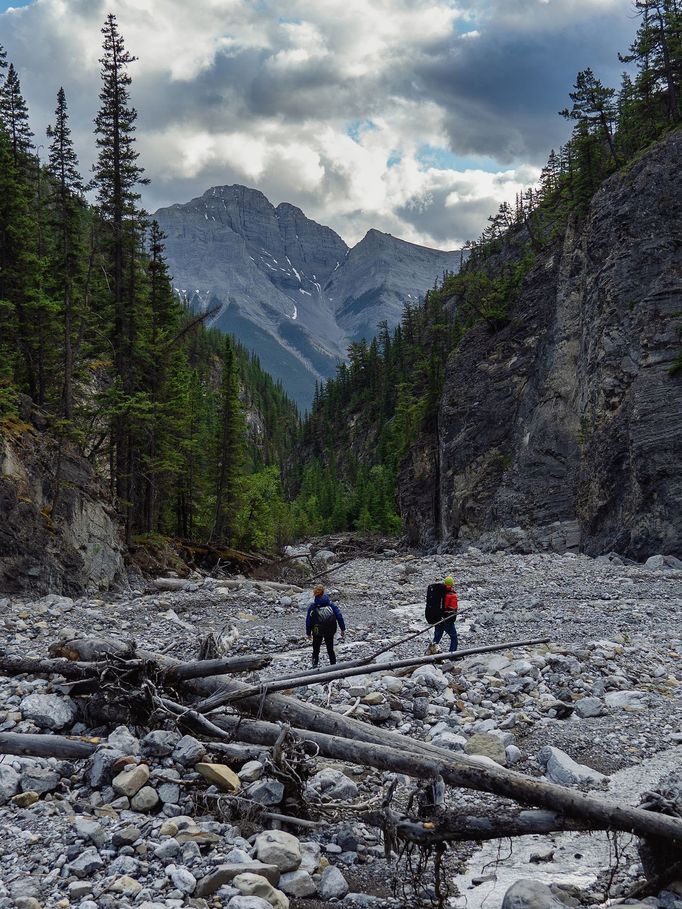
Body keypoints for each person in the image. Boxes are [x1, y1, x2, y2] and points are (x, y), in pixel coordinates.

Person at [306, 584, 346, 668]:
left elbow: (308, 620)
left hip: (317, 630)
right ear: (323, 592)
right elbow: (339, 616)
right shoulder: (331, 604)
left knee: (316, 649)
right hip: (330, 630)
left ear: (315, 594)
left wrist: (308, 633)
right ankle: (333, 665)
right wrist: (342, 629)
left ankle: (315, 665)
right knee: (330, 649)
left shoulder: (313, 606)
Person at [432, 575, 458, 653]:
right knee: (454, 637)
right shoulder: (452, 595)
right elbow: (453, 608)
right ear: (452, 584)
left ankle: (431, 653)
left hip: (438, 618)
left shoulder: (440, 593)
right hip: (447, 619)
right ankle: (452, 654)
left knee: (437, 638)